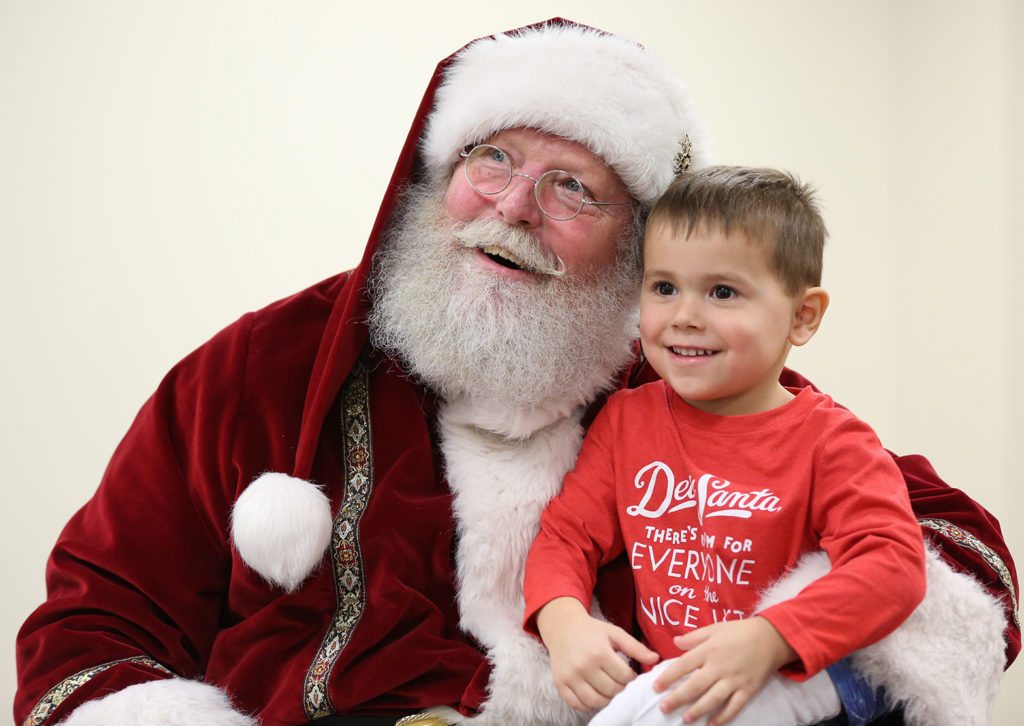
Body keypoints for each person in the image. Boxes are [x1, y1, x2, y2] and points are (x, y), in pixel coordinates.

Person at [13, 18, 1019, 726]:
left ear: (635, 248)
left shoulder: (678, 379)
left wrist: (771, 658)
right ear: (435, 174)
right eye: (489, 158)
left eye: (573, 187)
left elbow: (944, 541)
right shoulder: (252, 371)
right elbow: (95, 624)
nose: (514, 206)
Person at [523, 166, 928, 726]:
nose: (685, 317)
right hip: (684, 690)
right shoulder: (626, 421)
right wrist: (563, 619)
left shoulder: (832, 441)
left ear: (802, 316)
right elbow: (566, 535)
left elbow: (894, 564)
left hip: (790, 684)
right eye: (664, 288)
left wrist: (772, 638)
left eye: (722, 292)